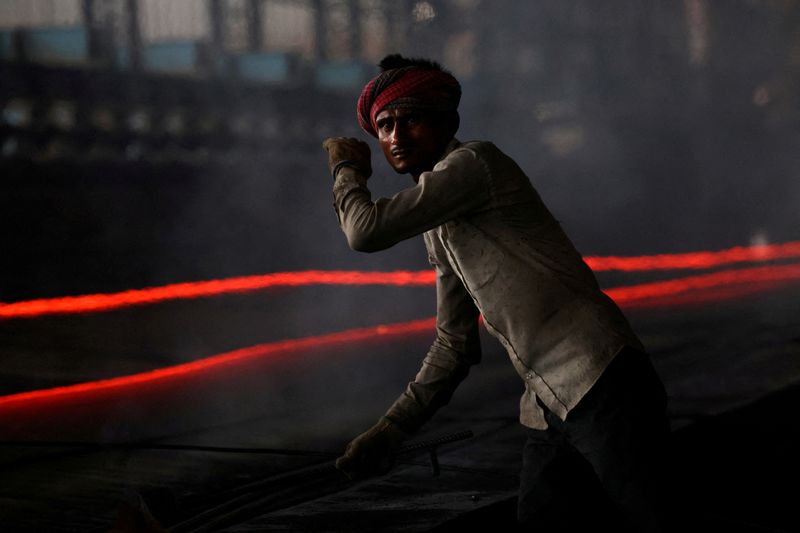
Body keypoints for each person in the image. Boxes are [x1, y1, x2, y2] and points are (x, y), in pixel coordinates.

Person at [322, 54, 676, 532]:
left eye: (412, 119)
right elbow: (454, 345)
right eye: (385, 125)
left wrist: (346, 169)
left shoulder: (475, 163)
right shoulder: (438, 225)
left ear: (448, 123)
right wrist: (392, 429)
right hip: (549, 405)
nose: (396, 136)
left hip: (604, 383)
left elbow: (364, 231)